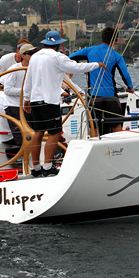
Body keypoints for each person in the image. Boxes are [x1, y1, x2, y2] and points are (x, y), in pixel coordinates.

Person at [23, 30, 106, 177]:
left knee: (38, 132)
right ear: (58, 44)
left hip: (35, 100)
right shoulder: (57, 57)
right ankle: (48, 167)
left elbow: (28, 79)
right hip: (49, 101)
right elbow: (76, 67)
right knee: (54, 133)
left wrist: (26, 100)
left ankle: (35, 167)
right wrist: (96, 65)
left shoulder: (34, 57)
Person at [69, 27, 134, 135]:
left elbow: (70, 57)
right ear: (115, 40)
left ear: (102, 37)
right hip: (111, 96)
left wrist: (85, 67)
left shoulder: (89, 50)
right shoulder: (116, 56)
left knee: (94, 126)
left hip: (94, 97)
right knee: (116, 126)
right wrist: (130, 87)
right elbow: (125, 74)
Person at [0, 39, 31, 104]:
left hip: (5, 78)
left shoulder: (27, 61)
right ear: (18, 51)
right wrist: (1, 92)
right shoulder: (6, 59)